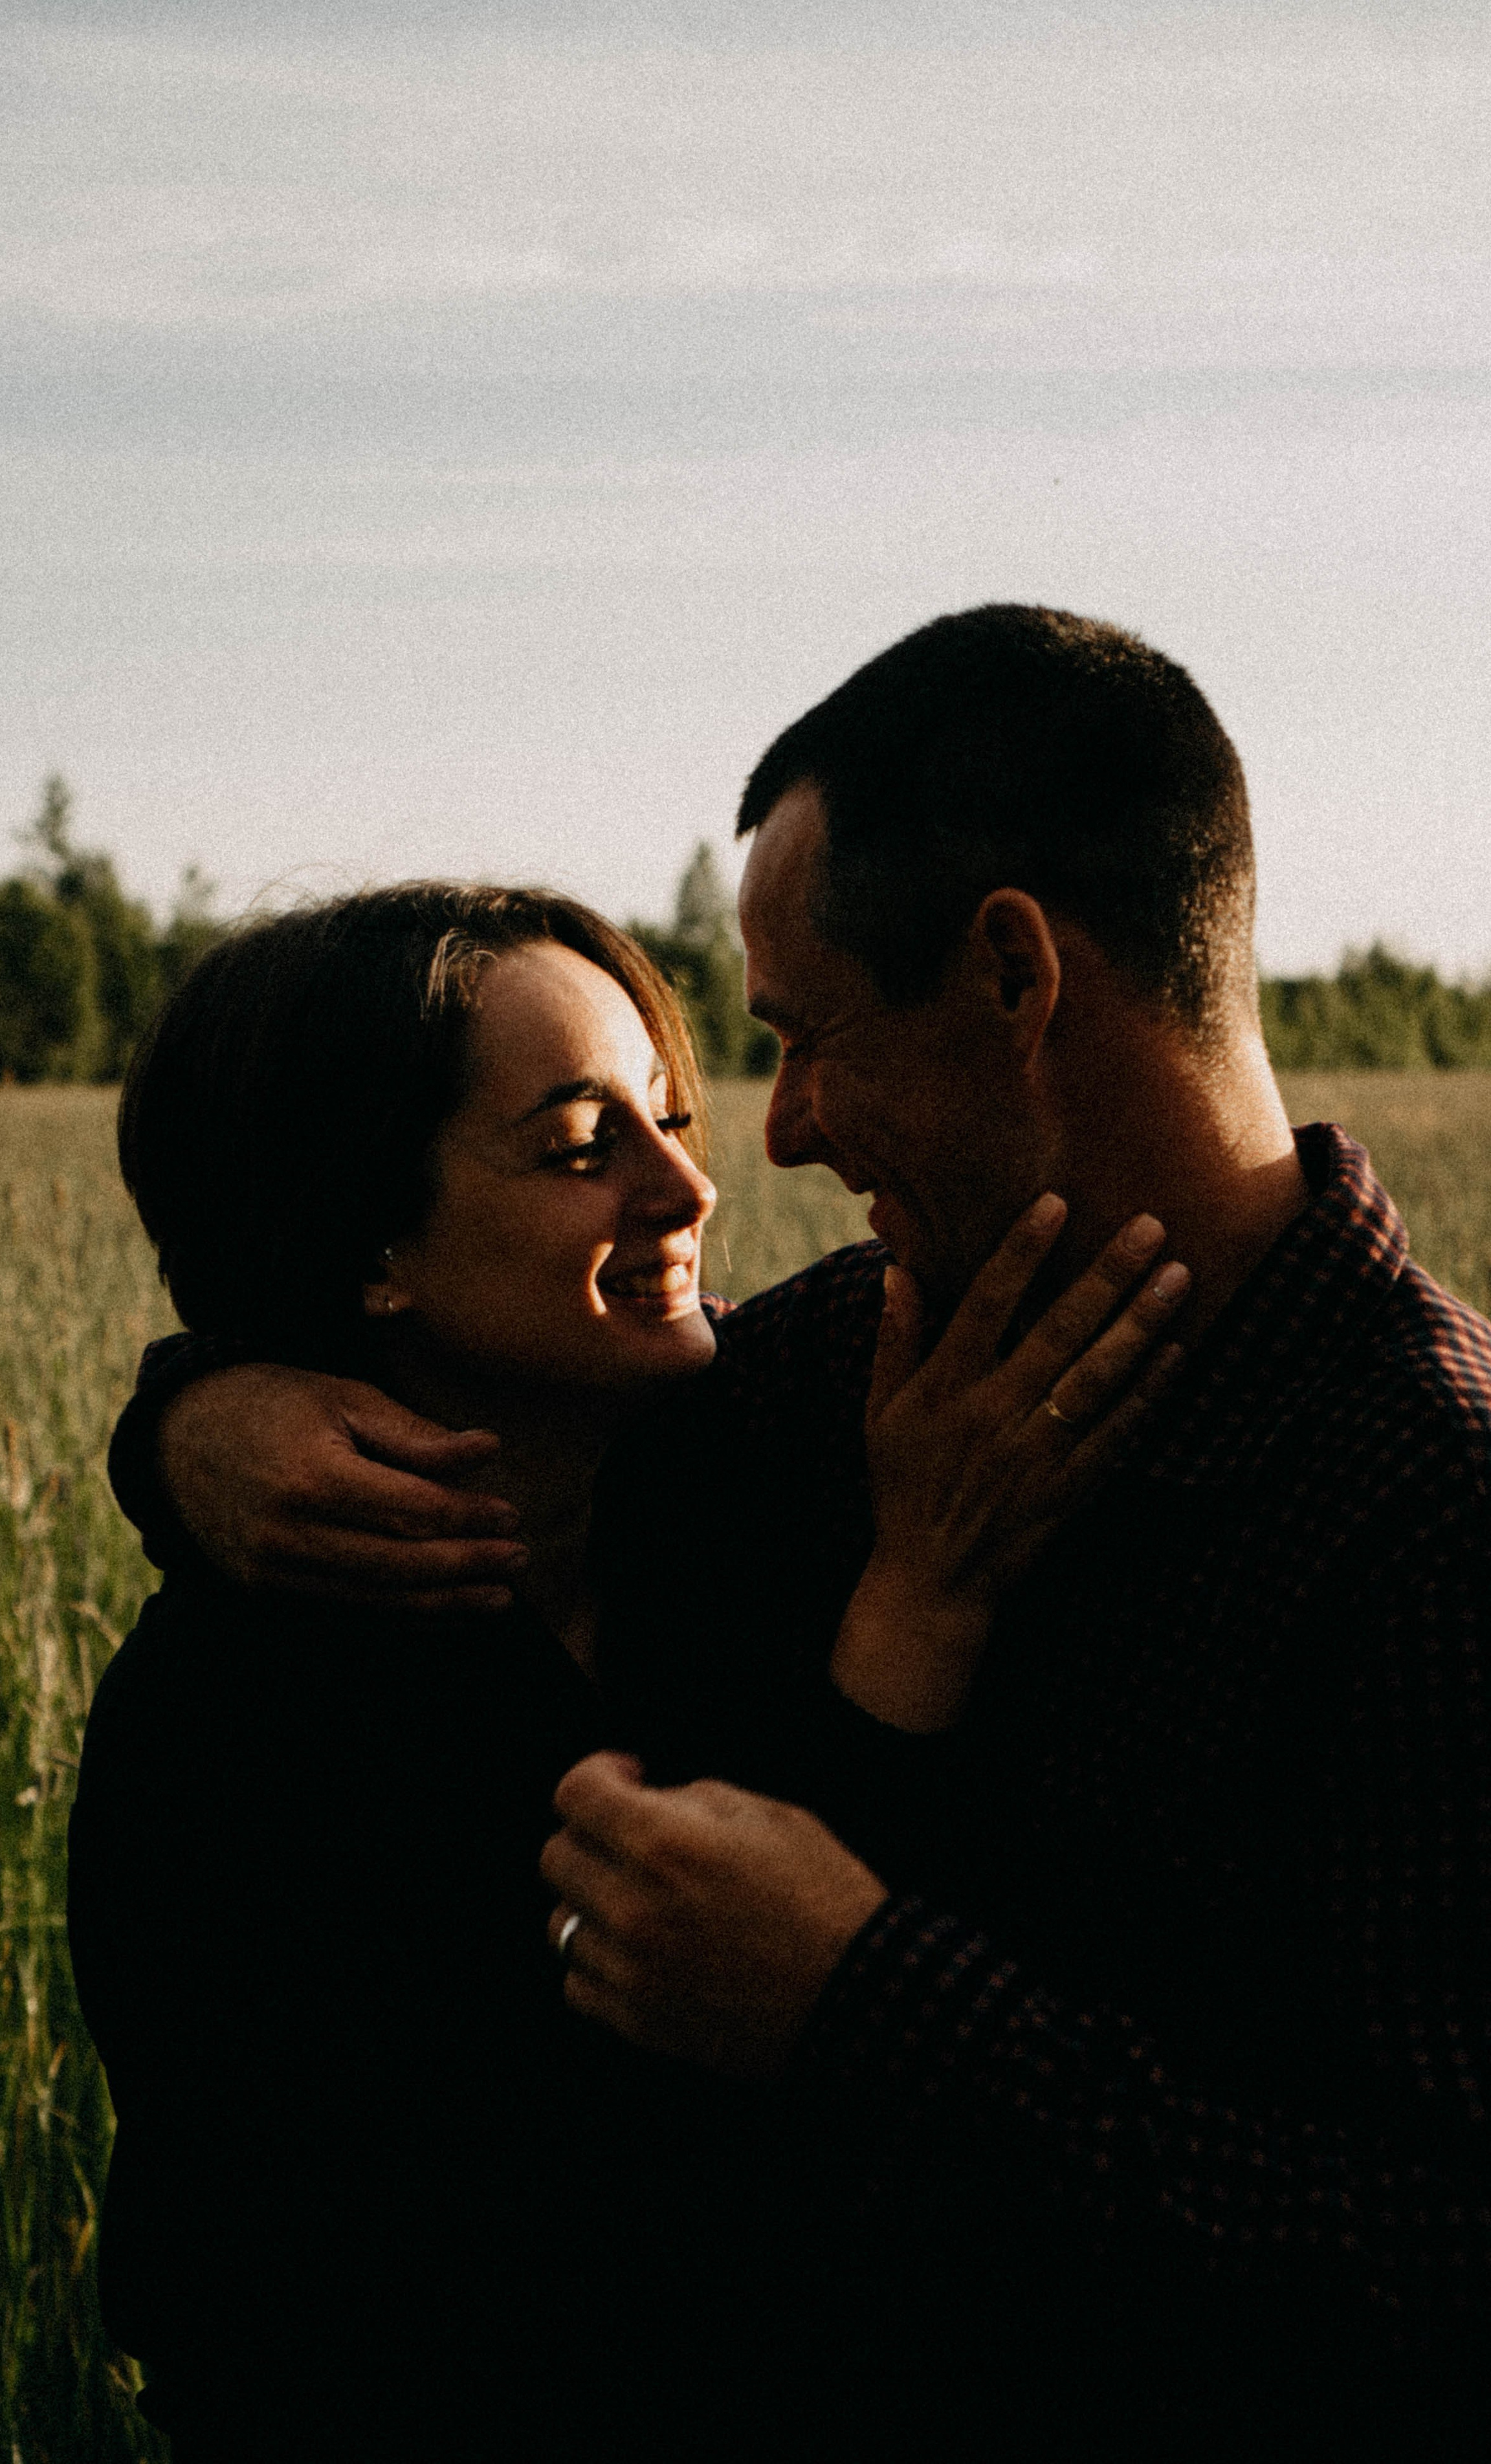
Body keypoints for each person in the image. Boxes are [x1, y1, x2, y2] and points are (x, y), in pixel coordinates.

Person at [107, 604, 1491, 2457]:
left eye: (807, 1039)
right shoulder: (857, 1355)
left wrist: (874, 2007)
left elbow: (1444, 2277)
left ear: (1014, 977)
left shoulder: (1432, 1510)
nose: (767, 1144)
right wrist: (201, 1409)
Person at [73, 872, 1178, 2461]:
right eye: (583, 1146)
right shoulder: (240, 1729)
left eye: (672, 1116)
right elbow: (653, 2226)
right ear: (364, 1243)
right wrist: (911, 1627)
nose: (686, 1190)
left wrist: (181, 1410)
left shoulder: (749, 1464)